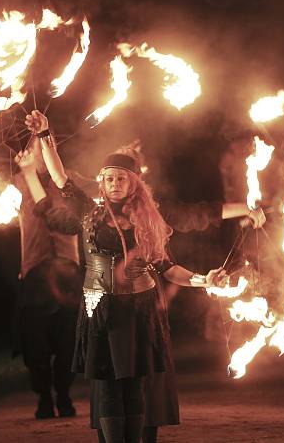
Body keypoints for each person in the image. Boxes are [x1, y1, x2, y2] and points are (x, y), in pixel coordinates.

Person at [23, 110, 257, 443]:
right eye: (108, 178)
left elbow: (167, 267)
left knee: (135, 387)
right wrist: (46, 134)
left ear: (134, 182)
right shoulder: (89, 211)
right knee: (107, 386)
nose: (114, 184)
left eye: (121, 178)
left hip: (139, 311)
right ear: (101, 182)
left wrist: (204, 280)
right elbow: (60, 177)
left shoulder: (149, 221)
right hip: (100, 309)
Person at [12, 137, 83, 419]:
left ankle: (63, 395)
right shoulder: (17, 184)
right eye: (32, 148)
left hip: (67, 270)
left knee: (68, 341)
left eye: (42, 147)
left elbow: (108, 191)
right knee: (35, 342)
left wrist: (132, 162)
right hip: (36, 272)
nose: (36, 154)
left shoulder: (69, 180)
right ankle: (43, 397)